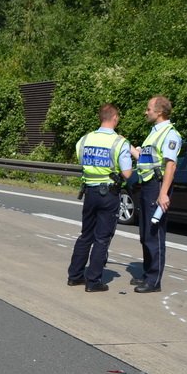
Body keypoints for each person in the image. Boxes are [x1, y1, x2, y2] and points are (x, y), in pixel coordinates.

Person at [67, 104, 133, 292]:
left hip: (89, 192)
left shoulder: (85, 139)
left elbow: (81, 160)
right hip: (109, 194)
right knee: (102, 238)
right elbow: (127, 173)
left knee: (85, 235)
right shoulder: (119, 142)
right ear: (114, 118)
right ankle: (93, 281)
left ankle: (75, 276)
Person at [129, 95, 182, 293]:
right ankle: (147, 273)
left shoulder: (170, 134)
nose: (146, 112)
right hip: (146, 185)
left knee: (154, 234)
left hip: (157, 187)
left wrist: (164, 193)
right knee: (144, 234)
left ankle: (154, 280)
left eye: (148, 109)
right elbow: (145, 158)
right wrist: (128, 146)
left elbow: (171, 165)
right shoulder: (153, 133)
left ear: (159, 112)